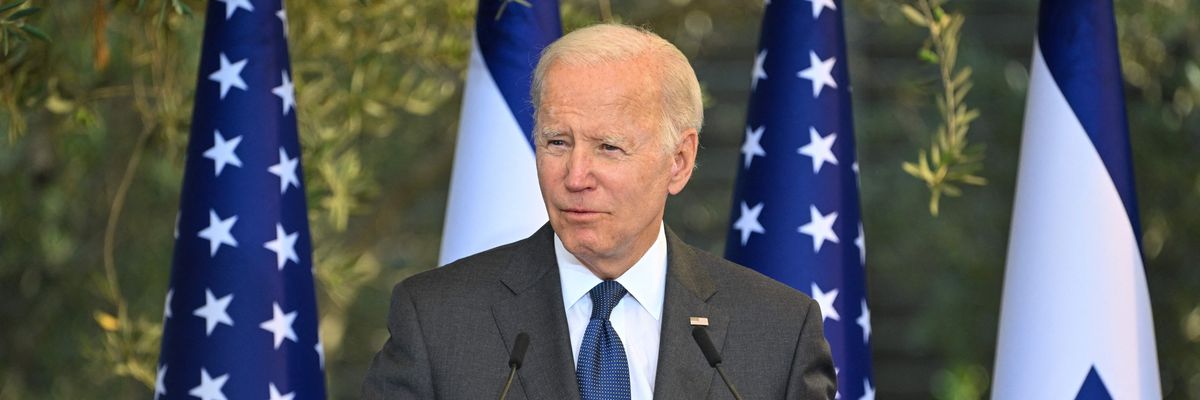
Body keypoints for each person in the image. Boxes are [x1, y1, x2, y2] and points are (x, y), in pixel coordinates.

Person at [363, 23, 837, 399]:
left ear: (679, 161)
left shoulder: (777, 332)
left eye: (609, 147)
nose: (575, 176)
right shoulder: (437, 321)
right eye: (557, 142)